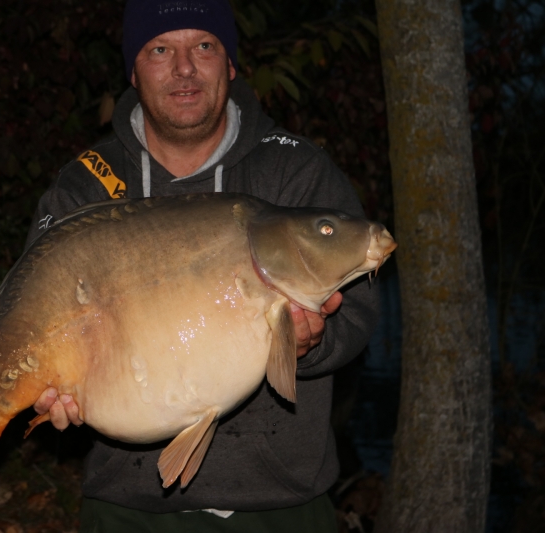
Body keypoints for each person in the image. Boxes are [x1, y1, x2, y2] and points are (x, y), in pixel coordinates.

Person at [23, 1, 380, 531]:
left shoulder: (295, 169)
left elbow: (358, 312)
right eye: (161, 49)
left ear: (231, 65)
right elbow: (34, 315)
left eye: (204, 47)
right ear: (133, 68)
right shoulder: (86, 186)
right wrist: (49, 388)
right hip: (128, 503)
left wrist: (309, 342)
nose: (184, 68)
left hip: (281, 501)